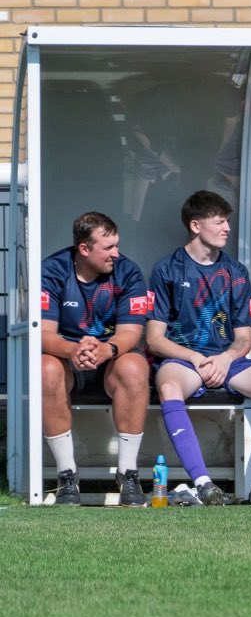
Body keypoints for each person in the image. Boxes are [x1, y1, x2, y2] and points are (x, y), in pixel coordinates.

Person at [147, 190, 251, 505]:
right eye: (219, 221)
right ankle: (204, 485)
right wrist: (194, 357)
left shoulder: (235, 272)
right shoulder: (167, 269)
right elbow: (154, 339)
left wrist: (225, 358)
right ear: (195, 226)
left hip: (228, 360)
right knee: (168, 387)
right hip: (184, 361)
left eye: (228, 222)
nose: (227, 229)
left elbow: (244, 338)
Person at [40, 212, 151, 506]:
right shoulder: (52, 270)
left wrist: (107, 349)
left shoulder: (128, 271)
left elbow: (132, 332)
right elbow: (44, 334)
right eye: (108, 247)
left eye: (117, 245)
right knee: (45, 369)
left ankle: (128, 474)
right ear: (84, 249)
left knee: (135, 366)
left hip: (110, 358)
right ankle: (67, 477)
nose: (116, 253)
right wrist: (73, 351)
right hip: (66, 359)